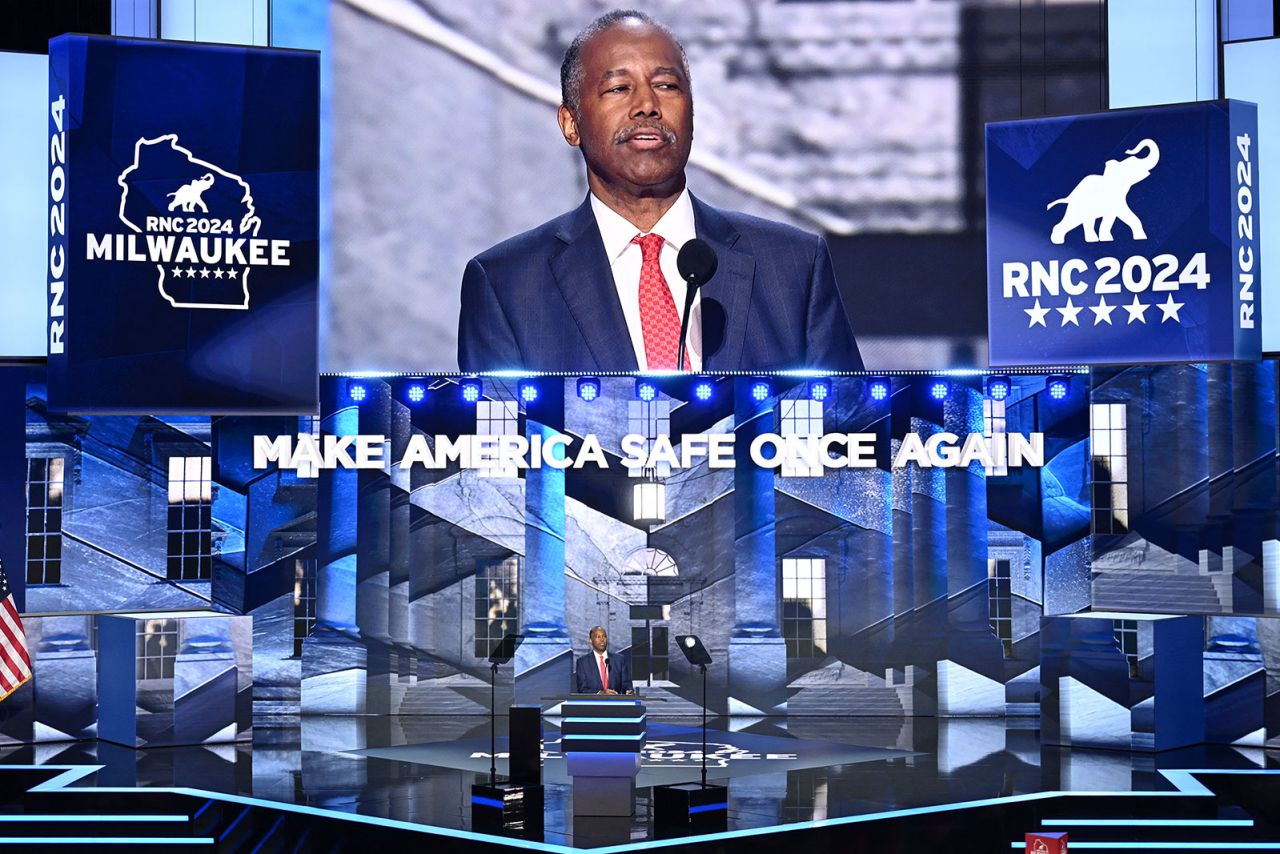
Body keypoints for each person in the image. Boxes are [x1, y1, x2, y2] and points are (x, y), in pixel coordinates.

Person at [457, 9, 863, 373]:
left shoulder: (794, 267)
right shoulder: (507, 286)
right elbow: (496, 446)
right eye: (618, 89)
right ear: (571, 123)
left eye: (667, 86)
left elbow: (854, 436)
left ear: (692, 113)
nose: (646, 105)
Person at [574, 626, 633, 694]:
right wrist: (601, 693)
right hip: (593, 703)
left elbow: (627, 687)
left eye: (604, 636)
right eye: (598, 637)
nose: (602, 639)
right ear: (590, 640)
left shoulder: (619, 660)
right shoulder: (583, 662)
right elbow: (582, 690)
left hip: (616, 703)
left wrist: (629, 692)